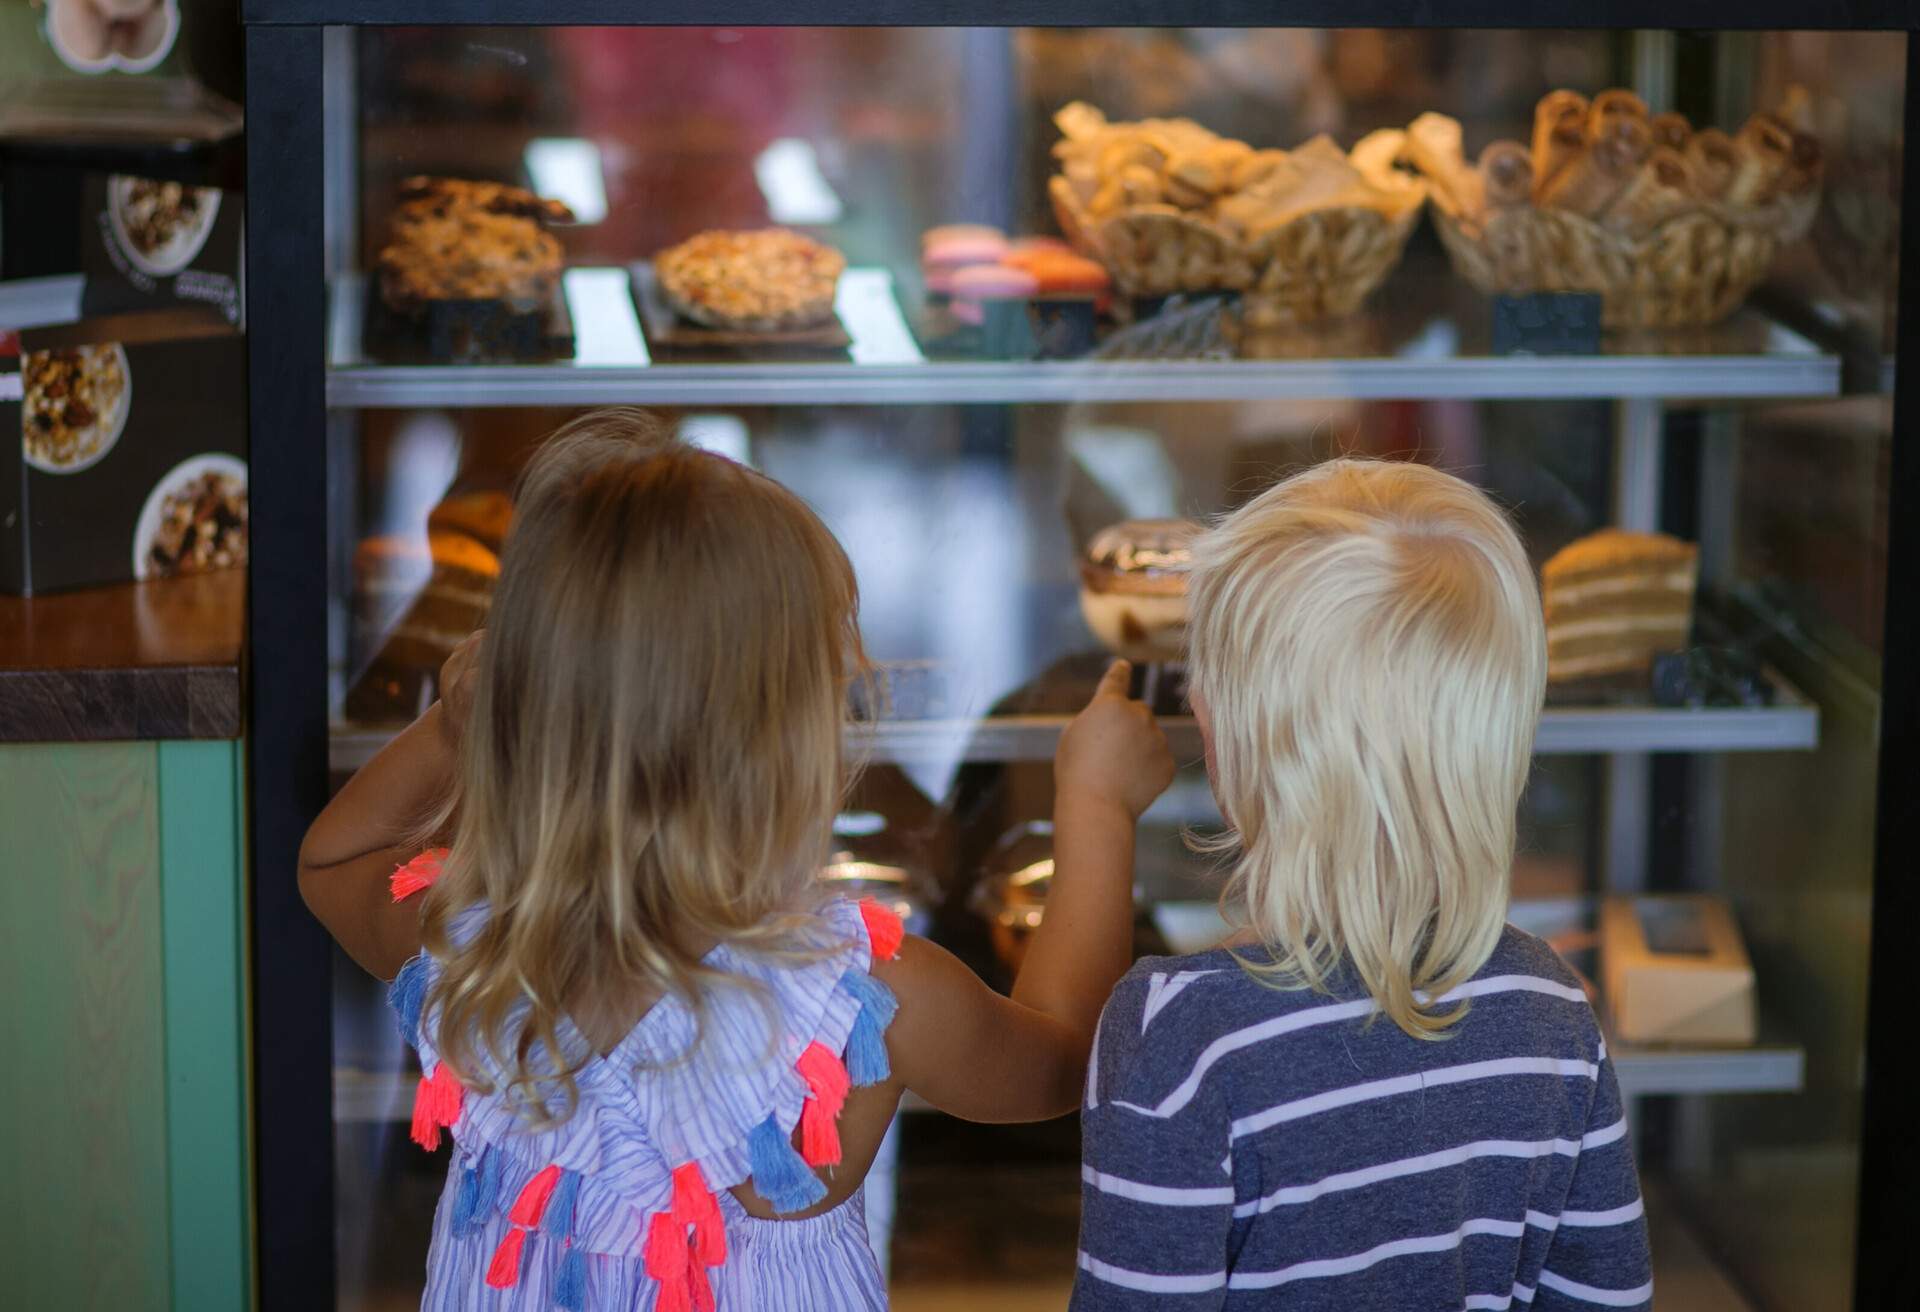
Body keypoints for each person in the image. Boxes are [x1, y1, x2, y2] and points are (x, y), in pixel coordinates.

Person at [299, 408, 1172, 1311]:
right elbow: (1069, 1062)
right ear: (789, 749)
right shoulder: (863, 999)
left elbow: (331, 862)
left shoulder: (474, 949)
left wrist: (459, 723)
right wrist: (1097, 808)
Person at [1072, 459, 1653, 1310]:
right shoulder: (1553, 1008)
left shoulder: (1184, 1038)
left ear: (1254, 746)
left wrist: (1090, 805)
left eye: (1209, 673)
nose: (1193, 691)